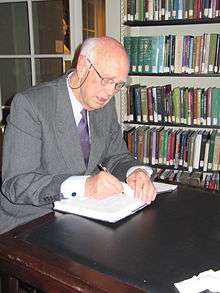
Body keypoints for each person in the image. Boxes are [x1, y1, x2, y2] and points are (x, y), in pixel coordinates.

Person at [0, 36, 156, 234]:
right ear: (83, 66)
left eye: (118, 85)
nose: (109, 93)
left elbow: (116, 156)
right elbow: (17, 184)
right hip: (30, 222)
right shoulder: (31, 105)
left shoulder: (103, 104)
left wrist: (135, 171)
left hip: (83, 216)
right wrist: (85, 186)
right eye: (106, 80)